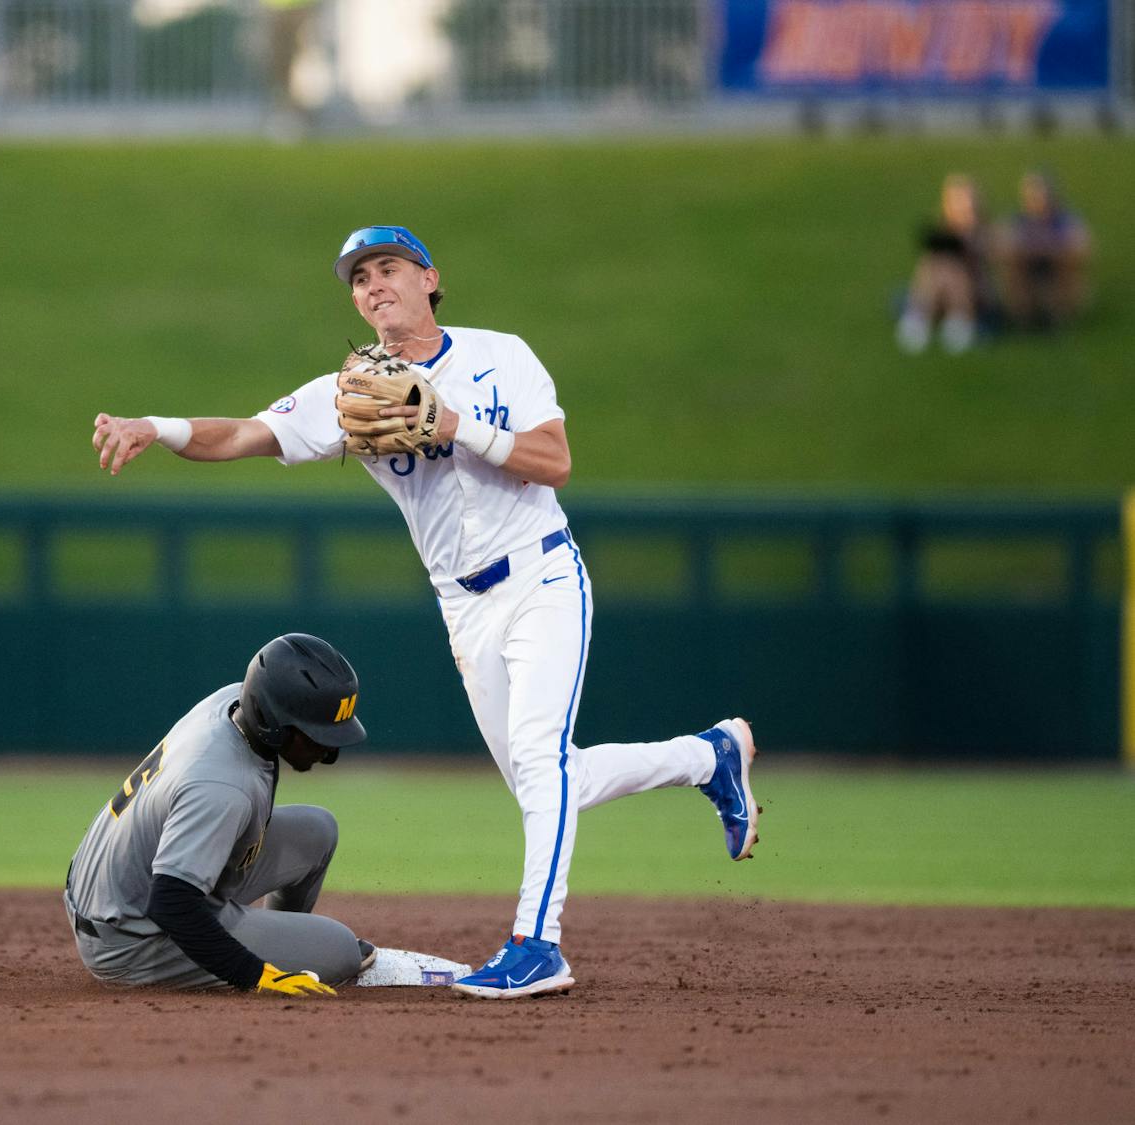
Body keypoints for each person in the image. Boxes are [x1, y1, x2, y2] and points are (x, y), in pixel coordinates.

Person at [89, 224, 761, 1000]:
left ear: (430, 278)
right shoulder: (349, 392)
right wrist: (154, 427)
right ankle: (709, 757)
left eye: (388, 268)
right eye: (359, 278)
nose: (373, 285)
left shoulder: (503, 353)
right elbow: (244, 431)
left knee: (542, 766)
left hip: (542, 574)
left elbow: (556, 462)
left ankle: (537, 945)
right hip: (464, 607)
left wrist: (454, 425)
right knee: (547, 782)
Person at [64, 633, 373, 995]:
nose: (328, 751)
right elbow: (171, 902)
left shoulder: (234, 704)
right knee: (338, 949)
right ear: (272, 721)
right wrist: (255, 972)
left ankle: (274, 939)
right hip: (131, 936)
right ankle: (264, 951)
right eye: (316, 735)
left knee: (317, 830)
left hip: (119, 887)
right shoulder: (223, 787)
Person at [896, 174, 996, 355]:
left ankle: (928, 318)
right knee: (940, 264)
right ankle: (930, 317)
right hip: (939, 295)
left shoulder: (986, 232)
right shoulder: (943, 232)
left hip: (975, 295)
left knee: (951, 268)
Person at [994, 170, 1092, 331]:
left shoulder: (1064, 221)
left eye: (1042, 195)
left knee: (1068, 267)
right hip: (1026, 271)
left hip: (1056, 272)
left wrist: (1042, 250)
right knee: (1013, 266)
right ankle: (1023, 315)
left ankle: (1056, 313)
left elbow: (1082, 247)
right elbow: (1001, 246)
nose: (1038, 201)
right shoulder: (1018, 221)